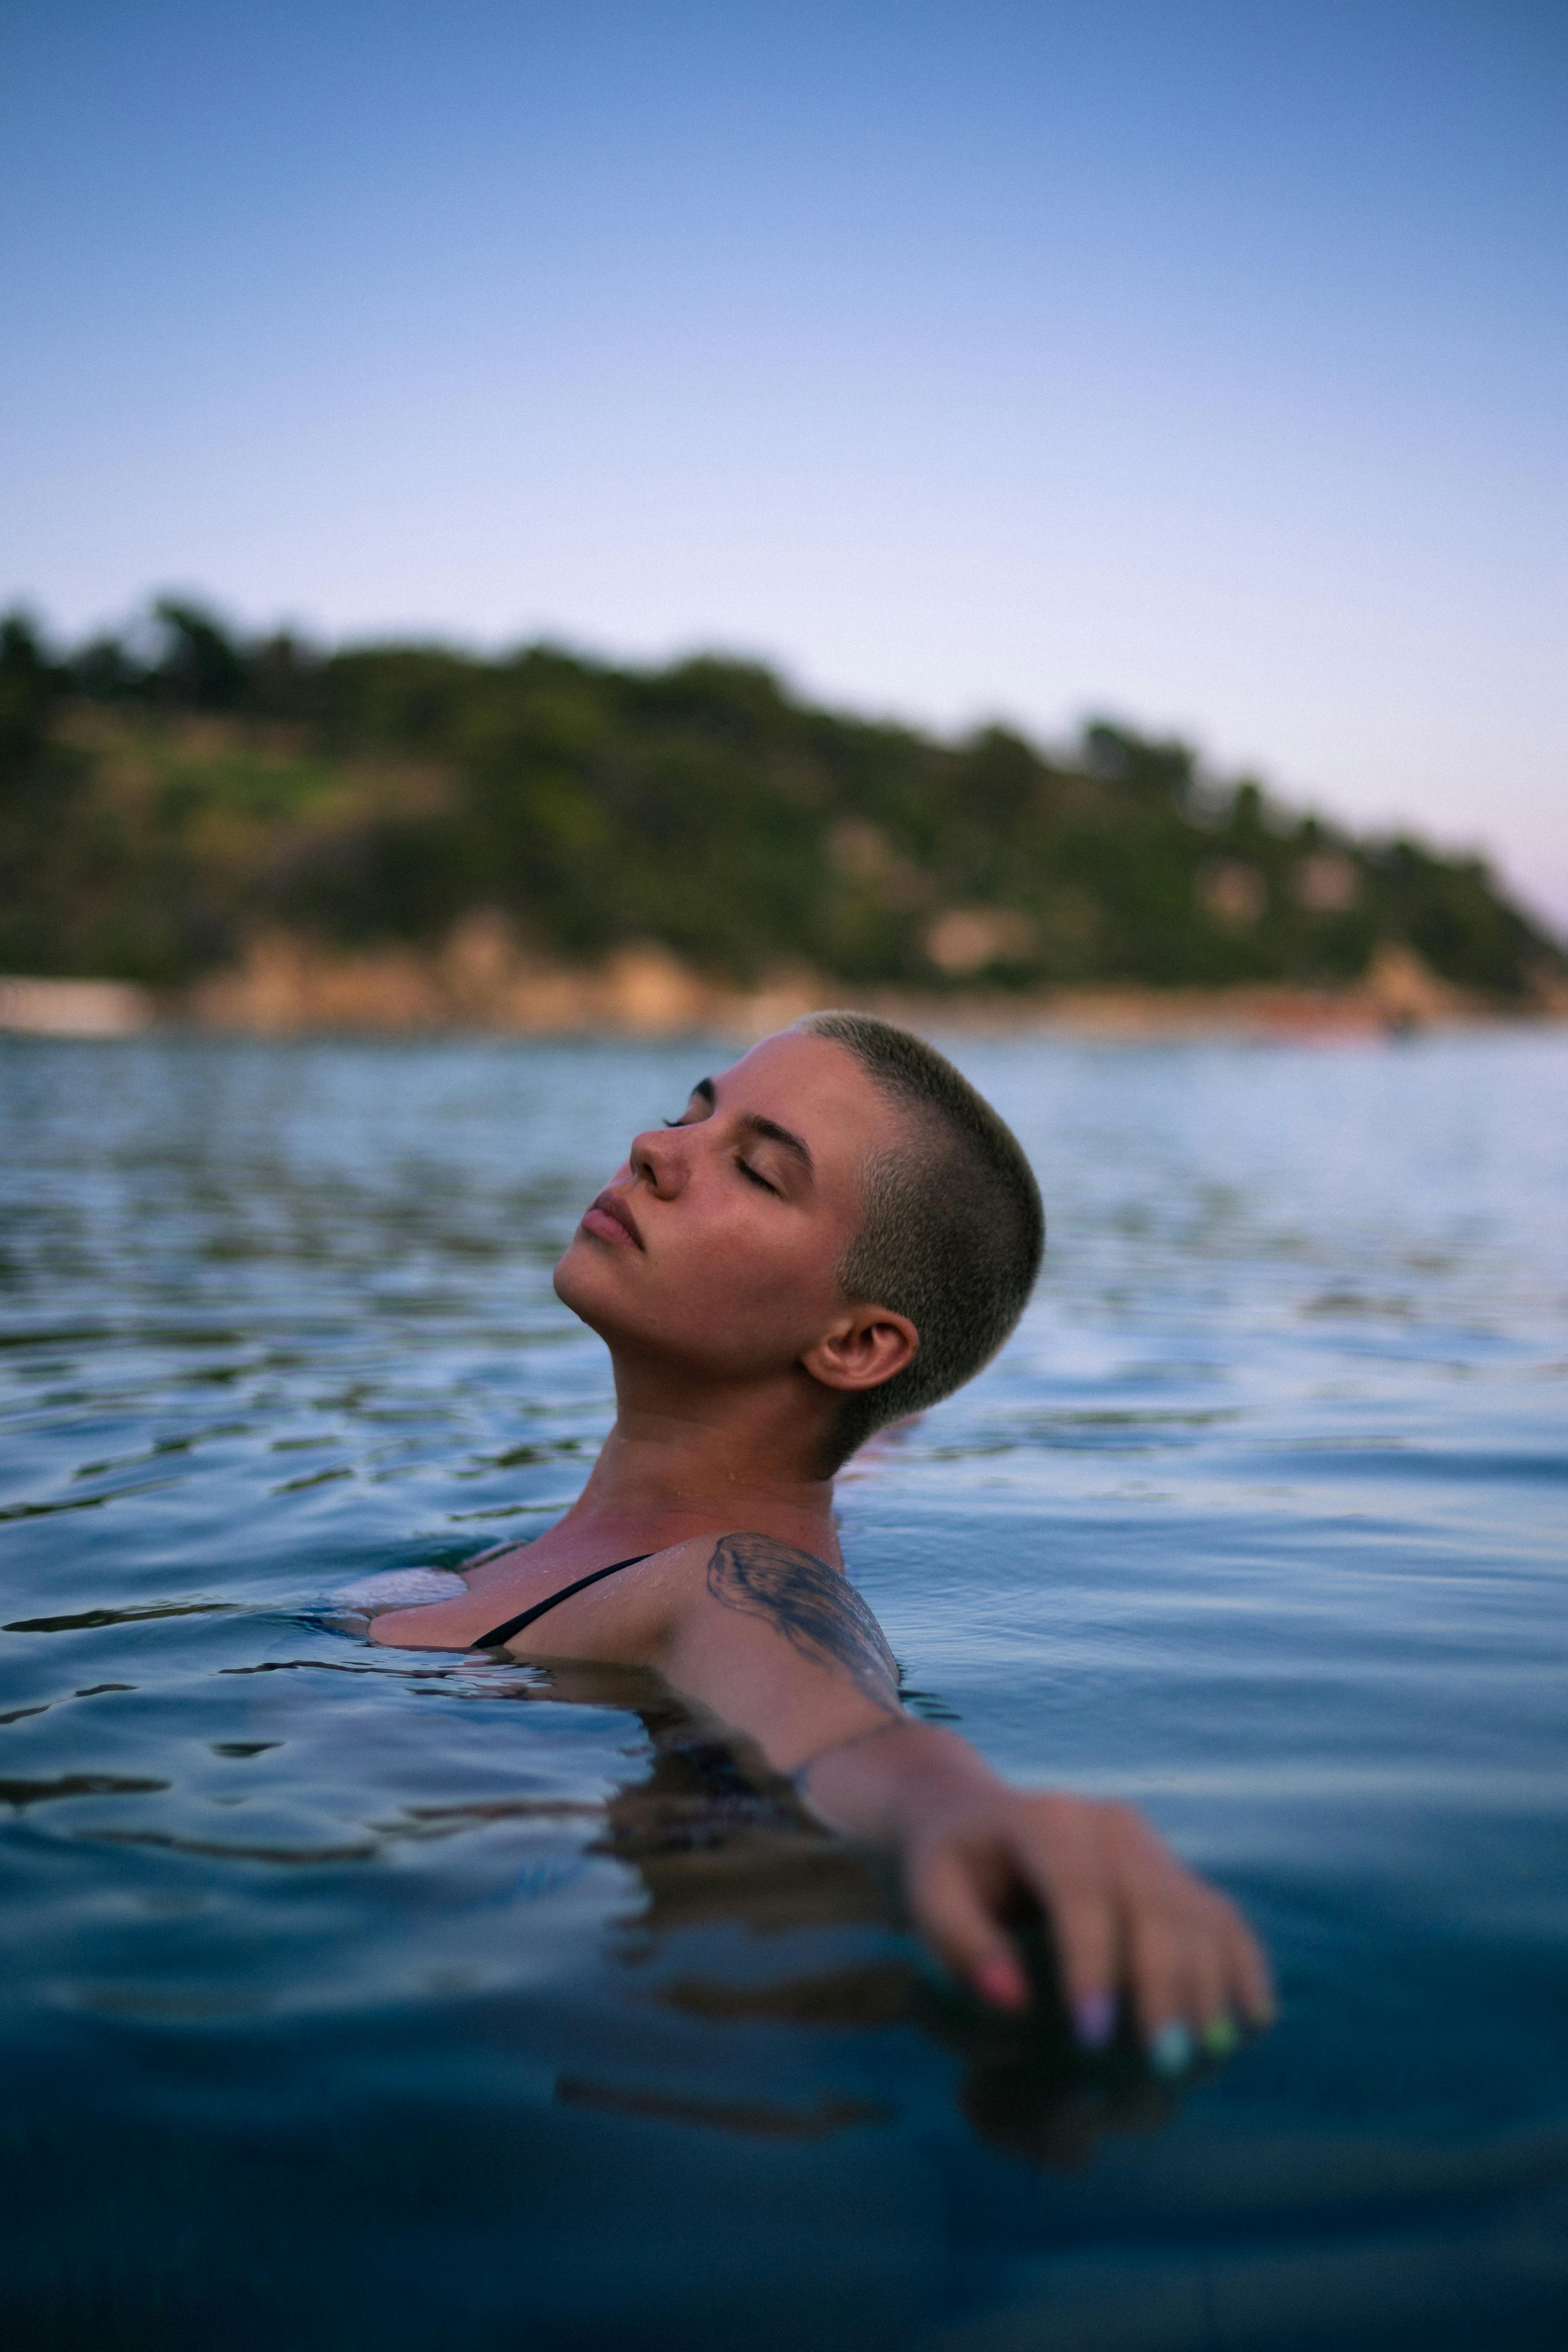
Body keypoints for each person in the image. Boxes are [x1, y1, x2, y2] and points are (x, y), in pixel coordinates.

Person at [368, 1012, 1272, 2068]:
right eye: (687, 1116)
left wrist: (960, 1811)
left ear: (855, 1342)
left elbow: (841, 1725)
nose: (654, 1150)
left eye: (756, 1170)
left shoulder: (719, 1582)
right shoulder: (565, 1562)